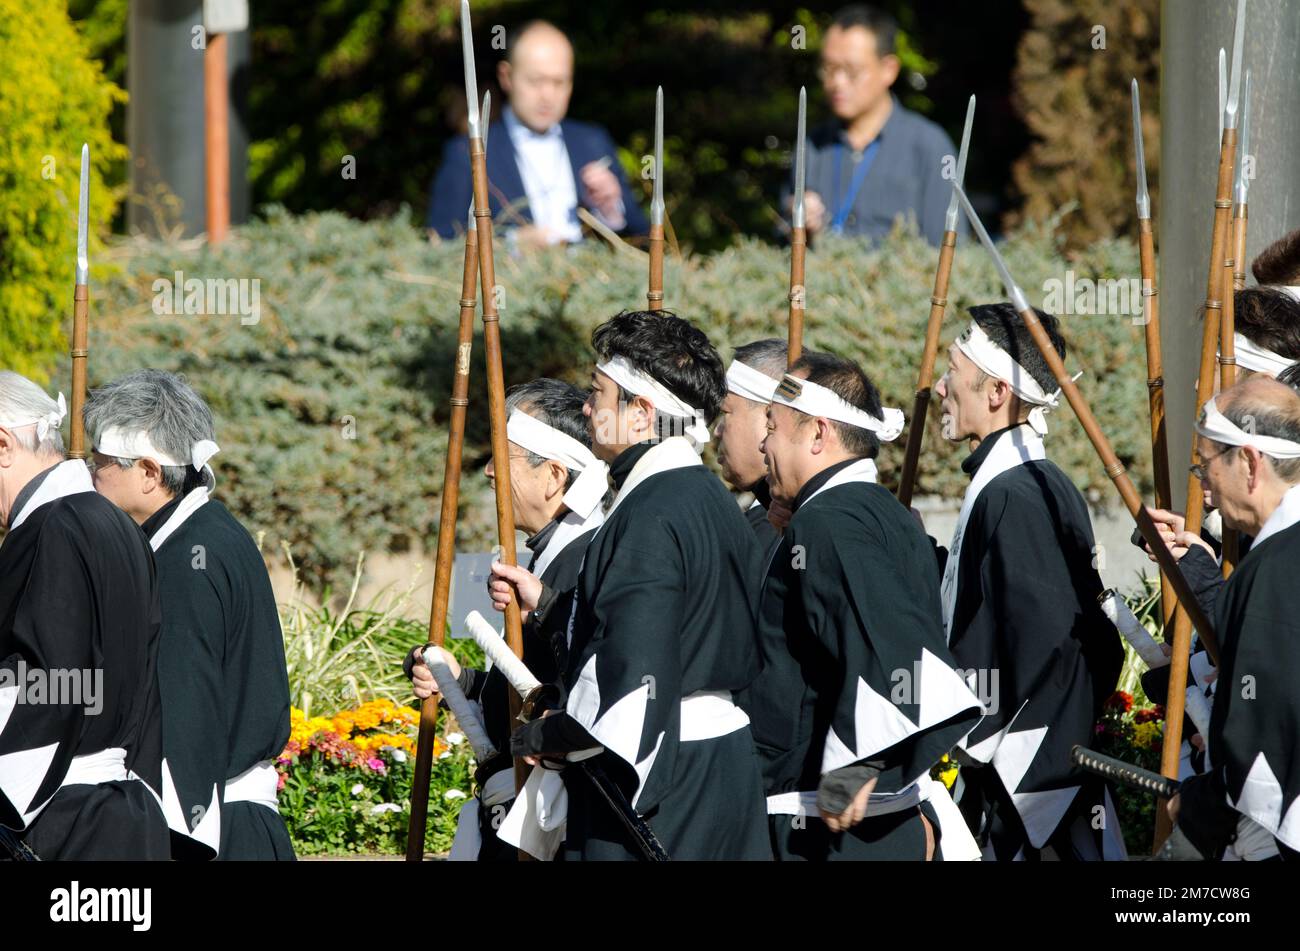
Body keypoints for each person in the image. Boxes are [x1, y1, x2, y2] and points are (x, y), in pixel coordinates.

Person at [500, 310, 770, 860]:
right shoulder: (709, 497)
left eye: (598, 394)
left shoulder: (651, 511)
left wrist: (545, 737)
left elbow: (635, 672)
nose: (586, 407)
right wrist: (552, 605)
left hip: (661, 774)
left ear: (642, 412)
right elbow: (676, 619)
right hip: (719, 768)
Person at [747, 350, 982, 860]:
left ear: (817, 434)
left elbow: (898, 644)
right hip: (863, 816)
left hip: (827, 822)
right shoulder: (879, 512)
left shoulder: (830, 520)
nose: (762, 443)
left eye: (772, 425)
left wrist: (856, 765)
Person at [932, 303, 1126, 860]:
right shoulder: (1023, 484)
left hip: (1033, 786)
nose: (941, 389)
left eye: (953, 372)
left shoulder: (1017, 494)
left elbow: (1048, 647)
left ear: (996, 392)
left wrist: (973, 739)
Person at [84, 370, 294, 860]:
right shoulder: (206, 533)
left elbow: (185, 722)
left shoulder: (185, 559)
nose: (91, 478)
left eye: (100, 464)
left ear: (149, 474)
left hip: (208, 829)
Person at [406, 378, 606, 860]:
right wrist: (463, 681)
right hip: (507, 801)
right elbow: (523, 680)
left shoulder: (588, 559)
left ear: (554, 475)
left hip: (551, 817)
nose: (490, 472)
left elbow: (581, 687)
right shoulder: (537, 557)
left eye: (504, 456)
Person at [0, 371, 170, 860]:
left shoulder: (56, 527)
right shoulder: (118, 526)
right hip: (121, 817)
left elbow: (59, 681)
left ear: (4, 443)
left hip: (58, 820)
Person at [1165, 377, 1300, 861]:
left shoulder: (1275, 566)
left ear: (1248, 461)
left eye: (1204, 465)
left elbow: (1265, 727)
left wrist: (1202, 802)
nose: (1201, 486)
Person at [425, 20, 648, 247]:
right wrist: (512, 244)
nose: (547, 95)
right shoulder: (468, 152)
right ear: (506, 77)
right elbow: (442, 241)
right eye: (535, 81)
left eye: (559, 82)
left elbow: (642, 238)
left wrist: (610, 209)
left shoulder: (593, 141)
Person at [792, 4, 962, 244]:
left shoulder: (930, 148)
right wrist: (801, 226)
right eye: (829, 69)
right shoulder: (812, 146)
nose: (837, 82)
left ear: (888, 70)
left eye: (852, 71)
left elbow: (950, 251)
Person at [715, 338, 787, 548]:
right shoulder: (764, 516)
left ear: (772, 416)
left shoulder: (787, 525)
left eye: (726, 412)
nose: (717, 431)